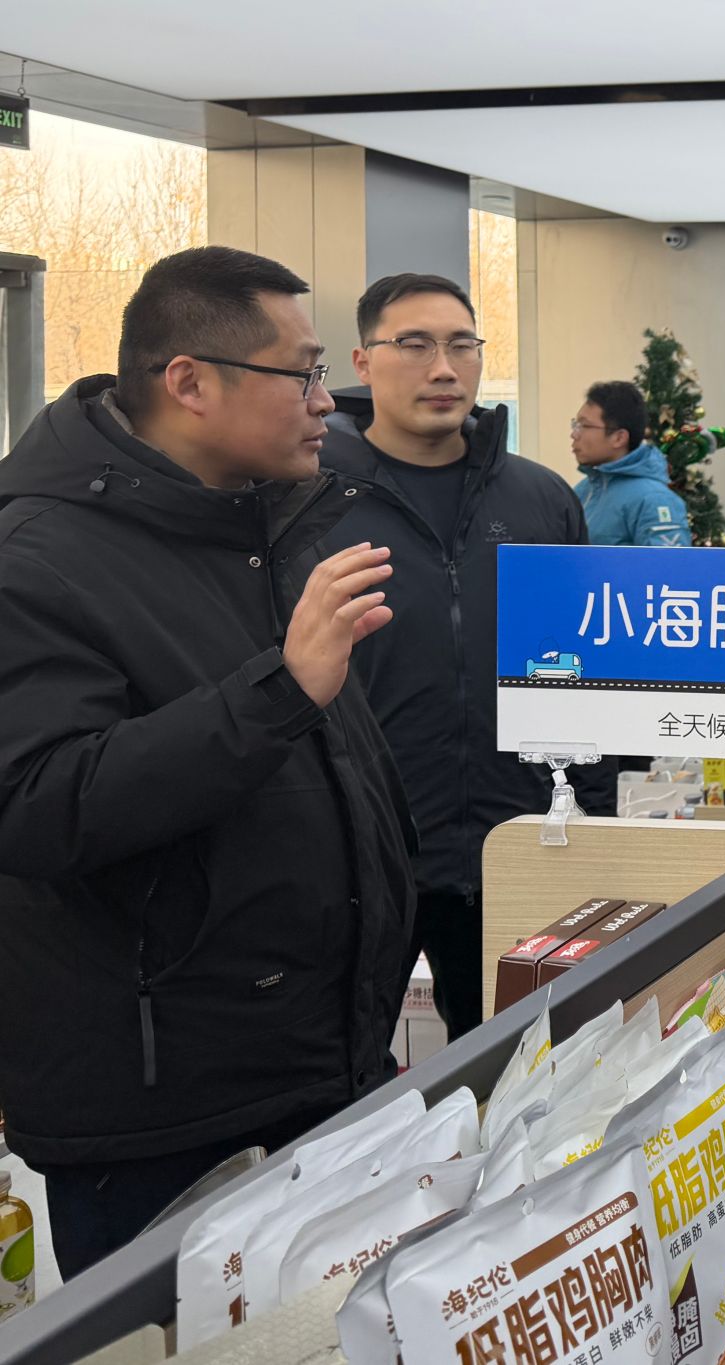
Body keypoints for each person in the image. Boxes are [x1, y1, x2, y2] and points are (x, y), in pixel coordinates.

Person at [0, 247, 415, 1276]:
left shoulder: (263, 528)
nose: (328, 403)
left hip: (321, 1072)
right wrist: (281, 688)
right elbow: (39, 806)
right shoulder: (36, 558)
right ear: (189, 382)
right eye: (302, 374)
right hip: (168, 1121)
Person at [318, 273, 615, 1040]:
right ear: (363, 360)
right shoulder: (313, 502)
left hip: (515, 846)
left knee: (519, 1060)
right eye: (414, 345)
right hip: (362, 855)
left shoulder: (541, 500)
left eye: (461, 345)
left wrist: (594, 819)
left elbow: (584, 673)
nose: (444, 367)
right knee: (345, 1066)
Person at [571, 380, 694, 547]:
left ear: (619, 438)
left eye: (584, 426)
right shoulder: (582, 491)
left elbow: (667, 563)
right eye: (575, 425)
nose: (574, 434)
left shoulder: (654, 499)